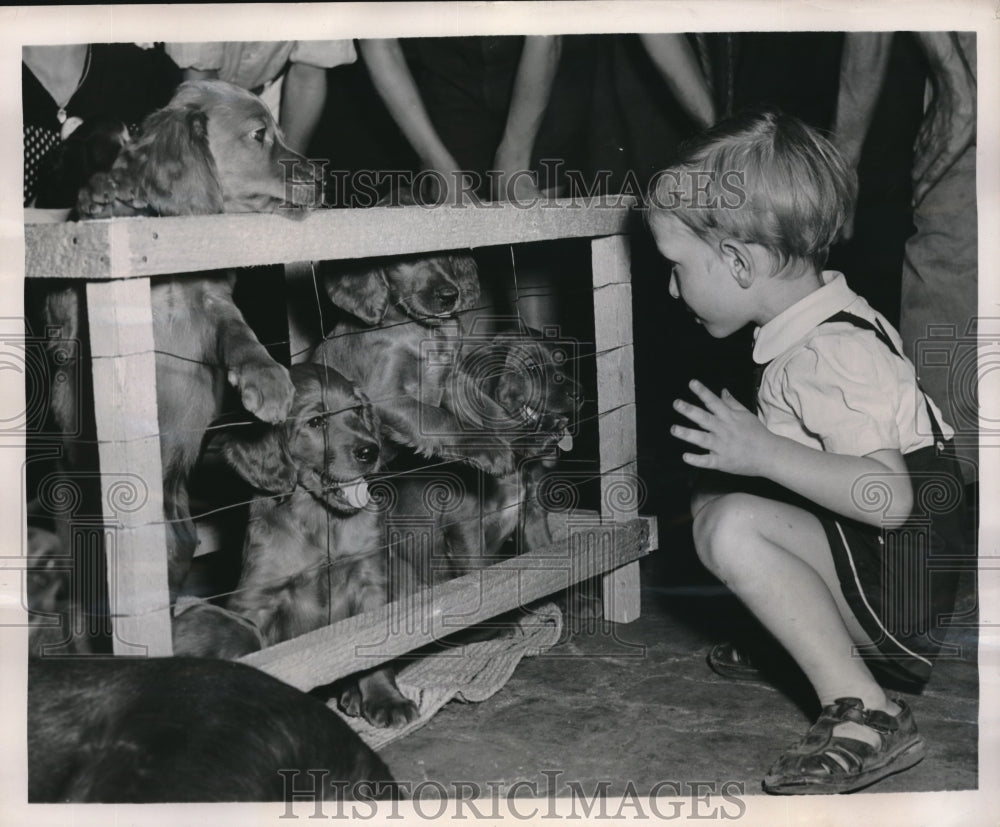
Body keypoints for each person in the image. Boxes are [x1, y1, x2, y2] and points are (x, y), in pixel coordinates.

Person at [647, 110, 966, 794]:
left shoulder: (829, 353)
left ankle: (867, 710)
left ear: (740, 261)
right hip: (893, 573)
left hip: (900, 586)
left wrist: (761, 451)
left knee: (730, 523)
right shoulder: (818, 321)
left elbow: (888, 499)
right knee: (718, 504)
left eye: (676, 267)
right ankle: (801, 639)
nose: (670, 289)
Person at [164, 41, 357, 154]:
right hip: (176, 95)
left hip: (269, 94)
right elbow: (202, 80)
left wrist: (285, 168)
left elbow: (308, 76)